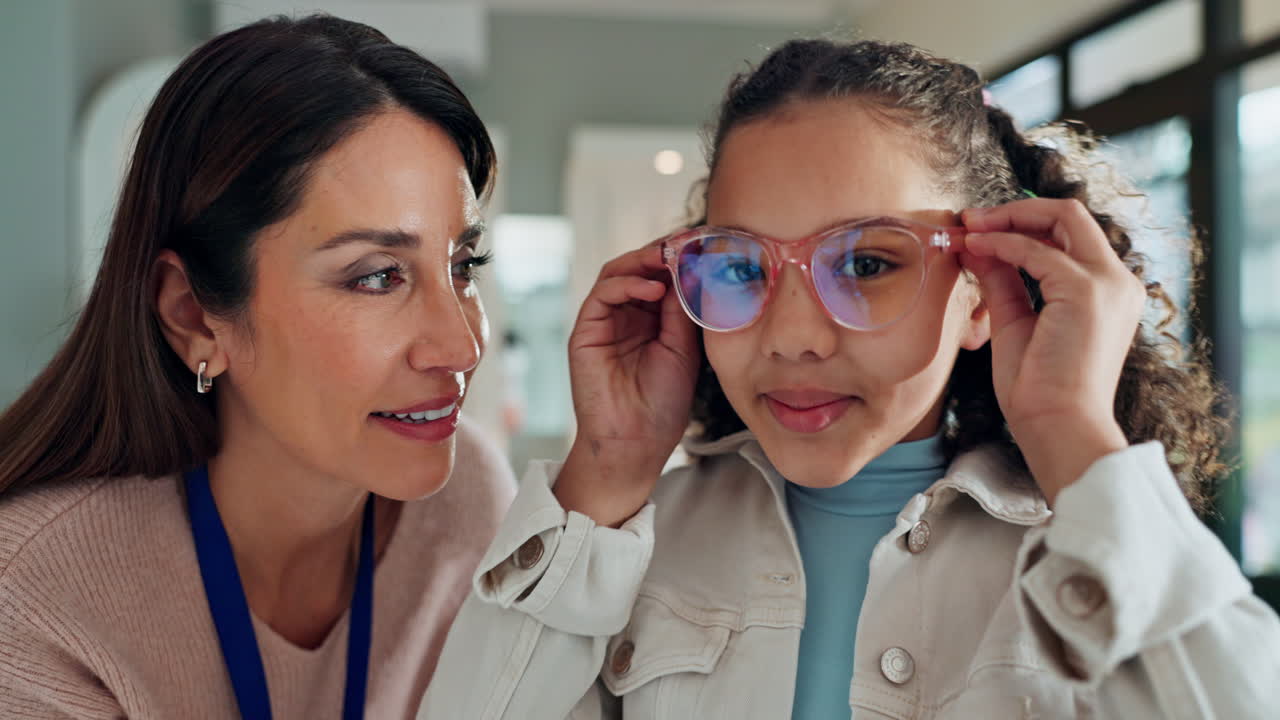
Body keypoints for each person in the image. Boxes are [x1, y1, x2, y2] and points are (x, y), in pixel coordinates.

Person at [419, 39, 1280, 719]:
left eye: (867, 262)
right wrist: (604, 468)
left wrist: (1074, 434)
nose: (792, 337)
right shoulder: (636, 546)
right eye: (742, 267)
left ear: (985, 289)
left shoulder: (1093, 548)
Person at [0, 15, 514, 719]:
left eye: (463, 266)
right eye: (375, 277)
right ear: (192, 314)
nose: (460, 347)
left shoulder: (466, 503)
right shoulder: (35, 594)